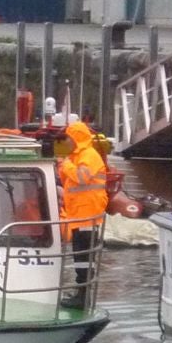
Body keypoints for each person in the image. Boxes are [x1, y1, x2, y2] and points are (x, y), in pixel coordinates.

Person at [57, 121, 110, 307]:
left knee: (84, 256)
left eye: (69, 138)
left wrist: (66, 166)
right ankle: (81, 291)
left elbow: (81, 177)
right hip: (80, 214)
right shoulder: (78, 156)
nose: (67, 142)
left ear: (76, 138)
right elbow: (70, 184)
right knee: (80, 256)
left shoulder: (89, 156)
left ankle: (83, 294)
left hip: (88, 214)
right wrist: (64, 167)